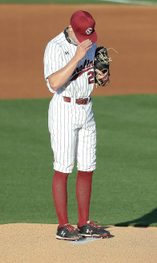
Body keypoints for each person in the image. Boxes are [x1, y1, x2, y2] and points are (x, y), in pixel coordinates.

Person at [43, 10, 111, 240]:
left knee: (87, 166)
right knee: (63, 167)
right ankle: (63, 225)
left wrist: (102, 77)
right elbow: (54, 83)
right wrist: (77, 57)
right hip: (64, 109)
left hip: (86, 109)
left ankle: (84, 223)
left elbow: (93, 75)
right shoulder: (55, 47)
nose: (87, 41)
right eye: (82, 36)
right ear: (71, 28)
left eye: (89, 36)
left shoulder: (91, 42)